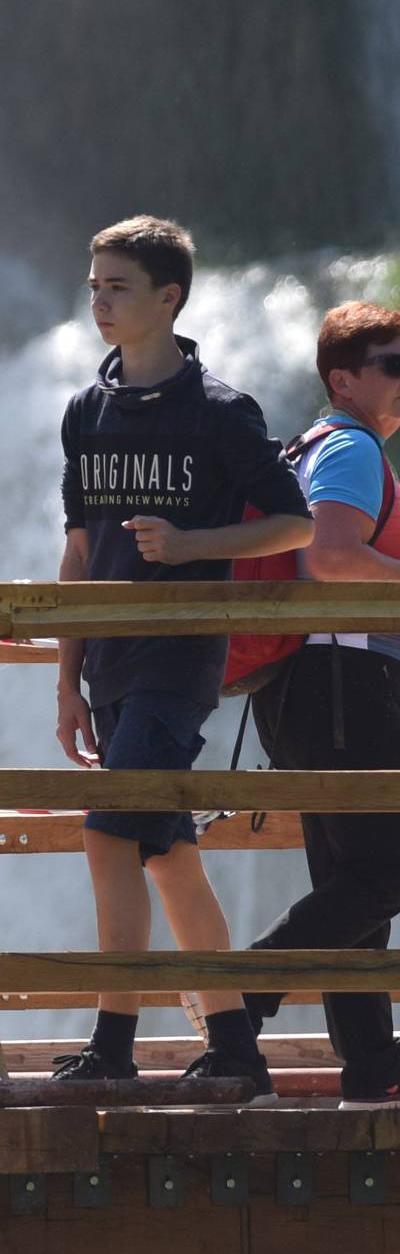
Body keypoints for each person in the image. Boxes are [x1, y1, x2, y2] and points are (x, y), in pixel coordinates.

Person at [52, 214, 311, 1092]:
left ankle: (113, 1047)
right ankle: (236, 1048)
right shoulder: (86, 409)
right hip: (110, 664)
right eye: (93, 286)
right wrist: (65, 677)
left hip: (180, 658)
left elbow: (295, 519)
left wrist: (194, 547)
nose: (99, 301)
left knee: (107, 835)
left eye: (116, 286)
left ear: (169, 298)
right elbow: (80, 550)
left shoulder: (223, 412)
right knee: (167, 854)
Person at [243, 302, 400, 1103]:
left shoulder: (309, 444)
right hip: (345, 684)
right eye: (393, 364)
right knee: (383, 873)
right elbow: (332, 558)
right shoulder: (352, 446)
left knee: (352, 882)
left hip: (302, 687)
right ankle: (243, 998)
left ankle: (373, 1066)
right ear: (345, 379)